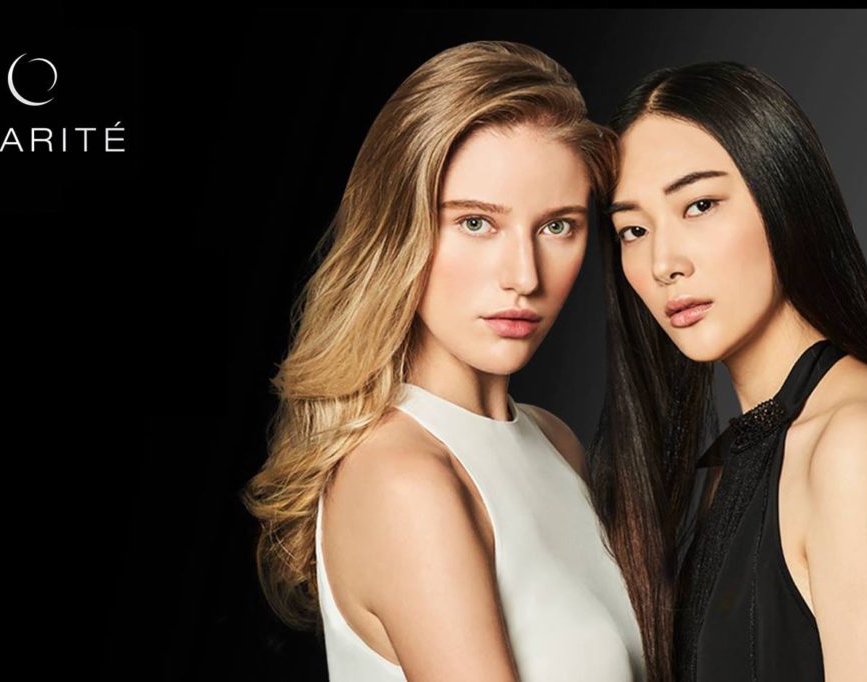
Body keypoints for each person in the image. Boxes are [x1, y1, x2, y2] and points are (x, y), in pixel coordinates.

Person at [241, 40, 646, 681]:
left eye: (557, 226)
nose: (524, 276)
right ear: (399, 230)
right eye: (476, 223)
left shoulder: (554, 441)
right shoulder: (403, 478)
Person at [592, 61, 867, 682]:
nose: (664, 262)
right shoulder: (743, 456)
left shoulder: (854, 443)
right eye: (633, 229)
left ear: (784, 194)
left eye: (699, 205)